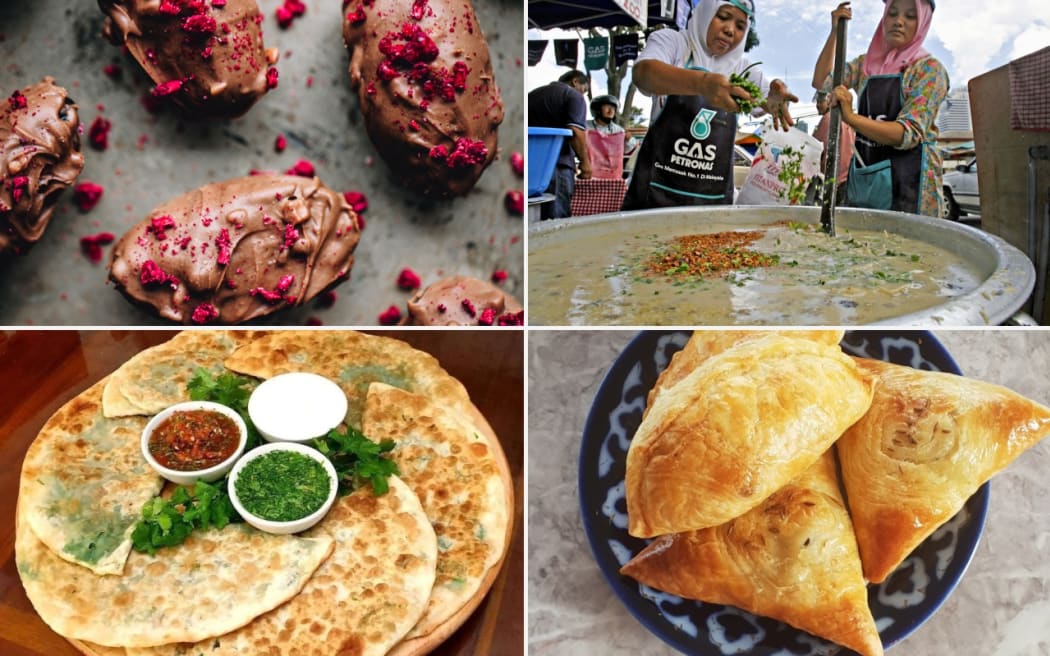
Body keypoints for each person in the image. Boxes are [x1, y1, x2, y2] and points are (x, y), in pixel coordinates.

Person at [621, 0, 798, 210]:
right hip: (654, 198)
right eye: (723, 17)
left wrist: (773, 100)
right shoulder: (674, 43)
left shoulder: (744, 70)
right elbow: (644, 74)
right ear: (705, 12)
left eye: (740, 26)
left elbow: (766, 100)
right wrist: (703, 83)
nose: (730, 30)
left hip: (712, 206)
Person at [812, 0, 947, 217]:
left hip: (912, 187)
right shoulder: (865, 66)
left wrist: (852, 118)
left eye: (910, 16)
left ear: (922, 23)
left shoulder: (929, 71)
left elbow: (908, 134)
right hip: (869, 180)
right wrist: (835, 31)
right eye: (892, 14)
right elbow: (822, 82)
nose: (898, 22)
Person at [528, 69, 593, 220]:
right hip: (557, 167)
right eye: (584, 90)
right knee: (556, 219)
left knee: (534, 216)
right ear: (575, 81)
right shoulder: (572, 96)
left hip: (529, 168)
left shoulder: (532, 95)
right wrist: (585, 163)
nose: (582, 94)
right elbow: (575, 130)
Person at [812, 89, 855, 206]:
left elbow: (815, 150)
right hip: (846, 178)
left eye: (821, 101)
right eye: (817, 102)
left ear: (830, 101)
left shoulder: (828, 119)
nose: (818, 105)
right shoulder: (845, 118)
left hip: (833, 180)